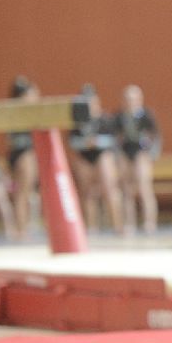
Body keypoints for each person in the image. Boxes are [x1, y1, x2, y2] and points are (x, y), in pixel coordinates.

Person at [69, 84, 125, 234]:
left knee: (109, 189)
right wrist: (85, 143)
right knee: (87, 193)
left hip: (102, 155)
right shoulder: (78, 123)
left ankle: (117, 225)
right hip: (85, 156)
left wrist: (97, 142)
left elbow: (115, 140)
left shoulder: (105, 119)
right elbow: (72, 141)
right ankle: (90, 227)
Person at [114, 84, 161, 235]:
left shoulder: (146, 116)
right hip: (126, 152)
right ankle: (129, 223)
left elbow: (156, 136)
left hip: (142, 152)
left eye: (133, 99)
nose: (130, 102)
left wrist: (152, 155)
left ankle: (149, 222)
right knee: (126, 188)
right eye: (127, 99)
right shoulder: (119, 117)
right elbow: (115, 138)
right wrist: (118, 156)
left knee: (144, 186)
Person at [7, 76, 40, 238]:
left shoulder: (30, 113)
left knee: (26, 193)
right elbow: (15, 140)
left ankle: (23, 226)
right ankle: (20, 229)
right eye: (32, 94)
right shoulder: (17, 113)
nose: (36, 97)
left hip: (26, 153)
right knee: (22, 192)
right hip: (23, 155)